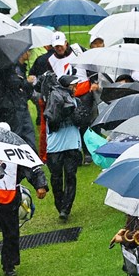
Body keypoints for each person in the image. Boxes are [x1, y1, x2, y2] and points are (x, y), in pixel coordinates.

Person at [0, 122, 48, 276]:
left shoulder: (18, 150)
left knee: (11, 233)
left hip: (10, 199)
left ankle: (9, 264)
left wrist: (41, 185)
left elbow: (33, 167)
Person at [44, 75, 84, 221]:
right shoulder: (53, 101)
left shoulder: (77, 101)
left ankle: (65, 209)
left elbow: (80, 121)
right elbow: (52, 122)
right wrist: (62, 110)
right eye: (73, 85)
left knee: (70, 176)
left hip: (72, 145)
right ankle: (60, 204)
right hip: (55, 148)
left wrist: (73, 111)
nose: (75, 88)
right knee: (56, 179)